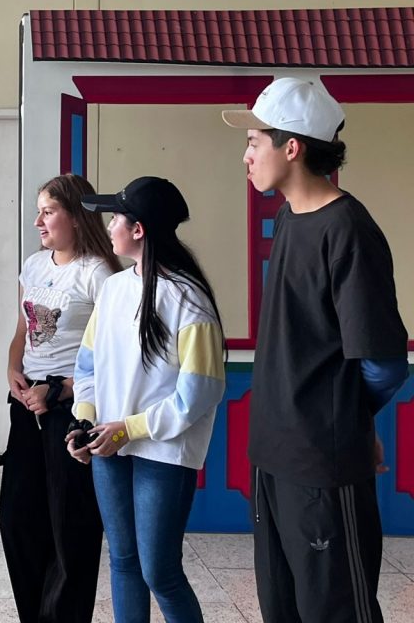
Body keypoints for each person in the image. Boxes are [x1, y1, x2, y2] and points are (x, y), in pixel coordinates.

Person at [222, 78, 408, 623]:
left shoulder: (347, 229)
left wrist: (345, 420)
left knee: (336, 609)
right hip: (271, 455)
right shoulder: (287, 217)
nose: (246, 155)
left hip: (321, 465)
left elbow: (384, 363)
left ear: (292, 147)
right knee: (282, 606)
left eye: (254, 142)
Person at [66, 176, 225, 623]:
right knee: (123, 561)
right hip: (109, 446)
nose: (109, 226)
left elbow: (199, 392)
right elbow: (87, 366)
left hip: (163, 452)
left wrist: (129, 428)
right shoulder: (114, 289)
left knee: (160, 572)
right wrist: (85, 421)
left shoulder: (189, 298)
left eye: (115, 218)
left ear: (138, 229)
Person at [0, 174, 117, 623]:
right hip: (27, 402)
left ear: (77, 215)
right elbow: (21, 331)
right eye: (39, 211)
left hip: (71, 406)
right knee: (16, 517)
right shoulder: (33, 266)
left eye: (48, 212)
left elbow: (112, 354)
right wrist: (13, 369)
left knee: (69, 525)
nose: (38, 222)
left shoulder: (98, 273)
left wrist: (62, 387)